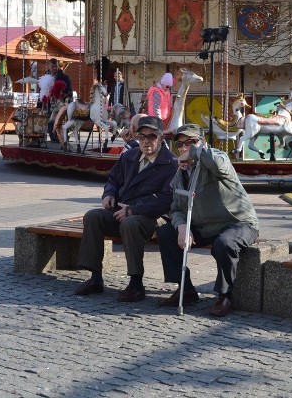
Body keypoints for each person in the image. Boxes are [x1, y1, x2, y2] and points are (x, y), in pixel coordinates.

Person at [157, 123, 259, 317]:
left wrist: (195, 153)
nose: (185, 147)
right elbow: (176, 208)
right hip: (204, 225)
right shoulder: (181, 173)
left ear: (202, 142)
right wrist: (181, 226)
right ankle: (185, 289)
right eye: (181, 144)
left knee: (224, 243)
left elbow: (218, 164)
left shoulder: (216, 157)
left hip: (237, 222)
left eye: (192, 142)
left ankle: (225, 296)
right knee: (166, 233)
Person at [75, 116, 177, 302]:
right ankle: (95, 278)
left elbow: (167, 200)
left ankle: (136, 284)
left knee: (130, 223)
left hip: (153, 217)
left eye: (152, 136)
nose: (146, 141)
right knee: (93, 216)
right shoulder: (130, 156)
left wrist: (134, 210)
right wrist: (109, 194)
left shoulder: (171, 163)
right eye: (142, 136)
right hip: (123, 209)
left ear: (161, 138)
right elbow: (113, 179)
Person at [46, 58, 73, 142]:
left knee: (56, 120)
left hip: (61, 102)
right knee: (49, 119)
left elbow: (69, 91)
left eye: (55, 66)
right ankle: (53, 136)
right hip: (49, 102)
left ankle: (59, 137)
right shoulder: (46, 76)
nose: (54, 68)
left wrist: (61, 94)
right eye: (52, 66)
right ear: (49, 67)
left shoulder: (64, 77)